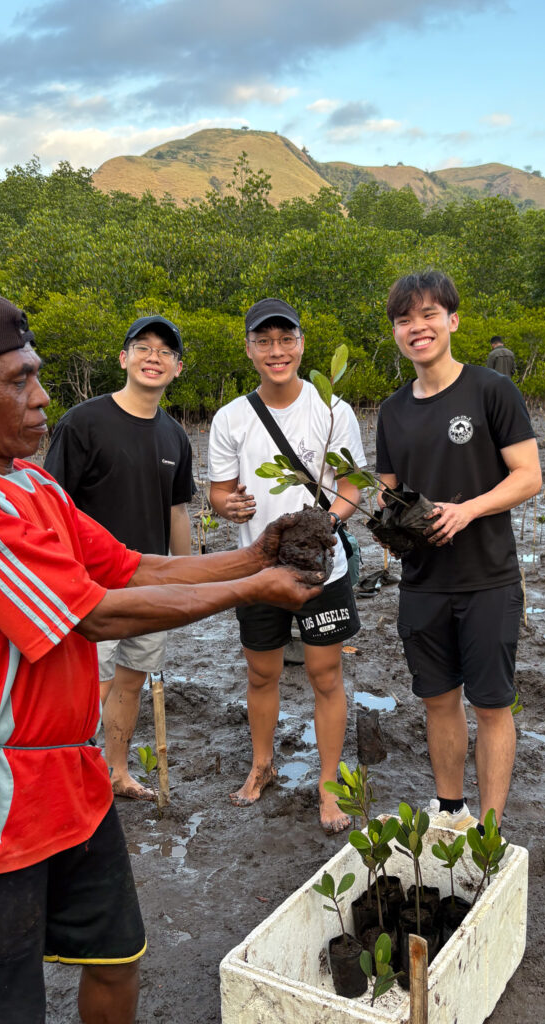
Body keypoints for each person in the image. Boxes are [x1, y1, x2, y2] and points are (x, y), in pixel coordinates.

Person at [0, 289, 323, 1024]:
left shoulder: (31, 484)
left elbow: (131, 567)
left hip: (72, 775)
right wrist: (258, 588)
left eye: (36, 373)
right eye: (19, 379)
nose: (41, 394)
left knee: (118, 958)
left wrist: (254, 555)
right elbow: (91, 614)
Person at [375, 272, 541, 831]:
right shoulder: (392, 410)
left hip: (488, 577)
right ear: (396, 332)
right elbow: (389, 488)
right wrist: (389, 522)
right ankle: (450, 810)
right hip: (422, 583)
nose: (416, 327)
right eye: (404, 319)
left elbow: (528, 476)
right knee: (438, 700)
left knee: (492, 705)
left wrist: (467, 510)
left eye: (428, 314)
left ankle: (490, 829)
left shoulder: (492, 391)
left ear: (452, 320)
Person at [207, 297, 365, 835]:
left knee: (326, 674)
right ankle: (262, 765)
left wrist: (324, 525)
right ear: (249, 349)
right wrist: (226, 506)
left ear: (302, 344)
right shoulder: (230, 418)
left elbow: (351, 488)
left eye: (286, 340)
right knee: (261, 672)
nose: (277, 351)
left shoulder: (333, 412)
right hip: (257, 569)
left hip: (324, 567)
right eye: (264, 341)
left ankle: (328, 786)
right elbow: (219, 493)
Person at [44, 315, 194, 801]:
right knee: (91, 689)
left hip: (150, 587)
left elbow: (176, 512)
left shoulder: (175, 436)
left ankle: (117, 773)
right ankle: (70, 783)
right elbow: (51, 507)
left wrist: (185, 581)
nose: (154, 357)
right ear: (124, 358)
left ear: (177, 369)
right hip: (91, 588)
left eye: (165, 352)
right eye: (143, 348)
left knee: (132, 682)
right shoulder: (83, 422)